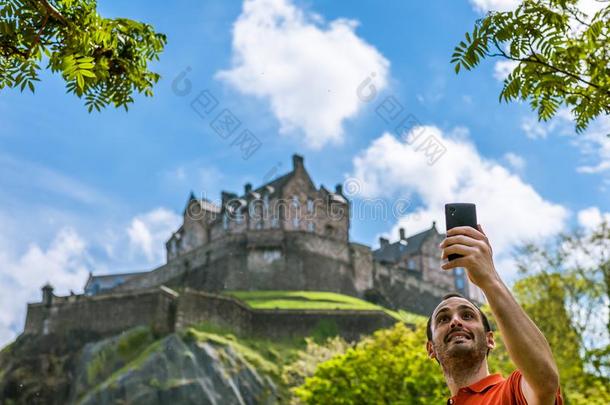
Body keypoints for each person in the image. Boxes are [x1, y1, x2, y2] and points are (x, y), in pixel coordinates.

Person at [427, 224, 563, 405]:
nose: (456, 321)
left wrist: (489, 278)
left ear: (490, 339)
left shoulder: (513, 391)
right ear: (431, 349)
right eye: (443, 319)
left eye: (467, 315)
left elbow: (546, 382)